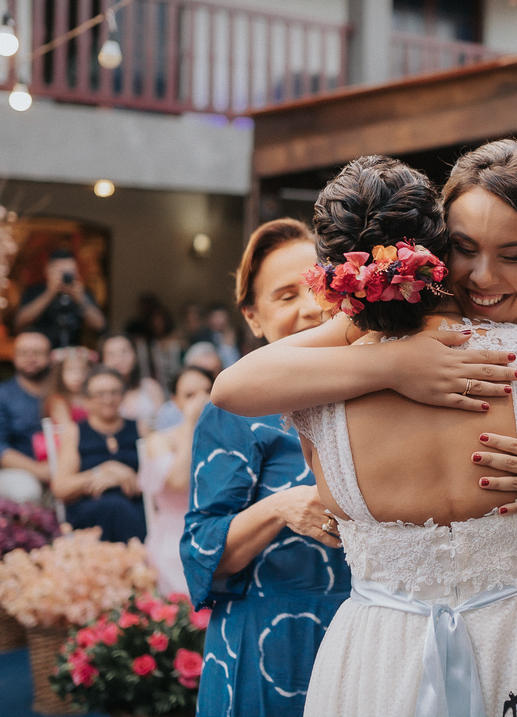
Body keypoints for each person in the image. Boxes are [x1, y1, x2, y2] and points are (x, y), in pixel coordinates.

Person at [212, 140, 517, 717]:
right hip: (415, 632)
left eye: (514, 255)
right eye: (463, 249)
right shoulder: (383, 328)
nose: (482, 278)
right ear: (433, 247)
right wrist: (396, 364)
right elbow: (234, 386)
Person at [181, 218, 349, 717]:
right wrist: (280, 508)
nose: (310, 307)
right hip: (266, 645)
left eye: (321, 285)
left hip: (365, 632)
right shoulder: (236, 406)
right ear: (253, 318)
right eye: (285, 296)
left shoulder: (374, 387)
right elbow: (201, 547)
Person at [141, 366, 213, 597]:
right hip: (177, 535)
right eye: (190, 395)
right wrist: (191, 424)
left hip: (222, 528)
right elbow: (180, 481)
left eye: (208, 391)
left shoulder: (230, 436)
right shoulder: (160, 440)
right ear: (175, 401)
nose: (202, 400)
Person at [51, 366, 146, 543]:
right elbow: (61, 487)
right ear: (86, 400)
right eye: (100, 394)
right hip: (90, 508)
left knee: (127, 508)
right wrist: (103, 471)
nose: (108, 399)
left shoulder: (140, 428)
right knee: (115, 507)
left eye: (114, 392)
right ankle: (141, 560)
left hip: (136, 503)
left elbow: (158, 477)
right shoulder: (76, 432)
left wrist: (127, 477)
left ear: (123, 395)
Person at [0, 331, 53, 503]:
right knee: (26, 492)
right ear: (14, 357)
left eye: (38, 353)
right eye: (24, 352)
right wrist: (39, 470)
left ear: (50, 357)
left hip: (62, 468)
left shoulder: (61, 394)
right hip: (15, 471)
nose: (30, 358)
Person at [14, 249, 107, 348]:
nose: (65, 277)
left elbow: (100, 326)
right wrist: (50, 293)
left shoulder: (83, 293)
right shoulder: (34, 292)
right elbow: (20, 323)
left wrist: (80, 298)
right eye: (61, 272)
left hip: (73, 354)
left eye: (69, 272)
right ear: (48, 271)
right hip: (41, 353)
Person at [101, 333, 166, 437]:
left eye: (124, 352)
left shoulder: (150, 386)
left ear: (134, 354)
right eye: (112, 354)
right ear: (103, 360)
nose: (119, 359)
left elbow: (165, 424)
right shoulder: (99, 395)